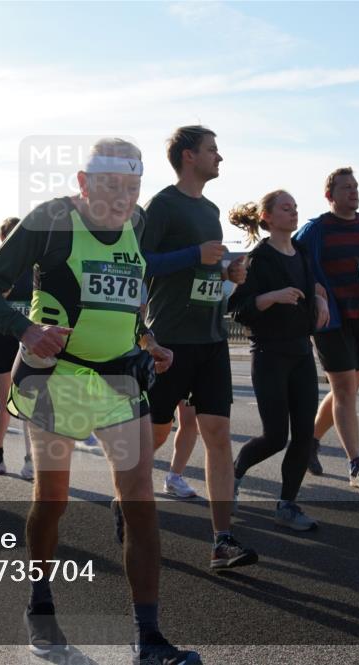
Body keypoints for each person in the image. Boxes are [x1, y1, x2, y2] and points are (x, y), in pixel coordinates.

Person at [0, 138, 199, 664]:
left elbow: (126, 291)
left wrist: (147, 341)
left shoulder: (138, 223)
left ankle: (149, 639)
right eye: (111, 185)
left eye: (132, 187)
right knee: (52, 501)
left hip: (121, 379)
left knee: (139, 503)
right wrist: (25, 330)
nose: (122, 198)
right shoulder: (51, 220)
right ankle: (41, 607)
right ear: (83, 182)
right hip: (61, 379)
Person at [140, 125, 256, 569]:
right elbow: (141, 262)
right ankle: (123, 499)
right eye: (212, 150)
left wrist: (227, 274)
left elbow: (205, 268)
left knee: (219, 437)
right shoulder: (163, 205)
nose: (219, 157)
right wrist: (195, 256)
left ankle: (222, 540)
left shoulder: (210, 209)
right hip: (170, 341)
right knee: (153, 434)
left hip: (211, 338)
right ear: (189, 156)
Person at [228, 191, 329, 531]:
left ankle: (287, 505)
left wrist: (320, 299)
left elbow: (313, 284)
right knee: (275, 437)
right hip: (269, 353)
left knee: (304, 434)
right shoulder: (259, 258)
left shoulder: (300, 252)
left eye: (296, 207)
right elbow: (239, 309)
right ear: (268, 217)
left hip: (301, 352)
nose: (294, 212)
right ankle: (235, 472)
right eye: (286, 208)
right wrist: (272, 296)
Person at [294, 167, 359, 488]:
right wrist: (315, 289)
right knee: (345, 391)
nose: (353, 191)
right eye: (346, 187)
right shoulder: (316, 229)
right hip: (332, 321)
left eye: (356, 186)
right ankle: (356, 465)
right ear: (330, 195)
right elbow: (292, 261)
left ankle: (307, 441)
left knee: (348, 389)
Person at [0, 217, 34, 479]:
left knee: (28, 403)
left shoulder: (36, 268)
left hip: (27, 340)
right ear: (4, 238)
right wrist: (1, 292)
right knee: (7, 402)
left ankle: (30, 460)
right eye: (12, 234)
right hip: (1, 339)